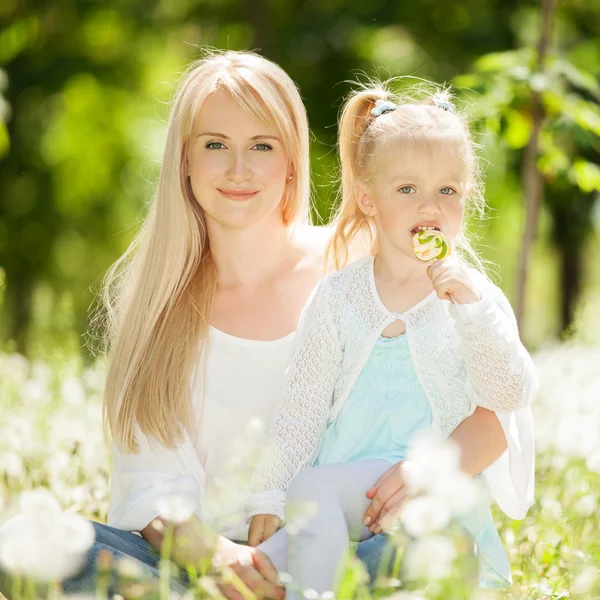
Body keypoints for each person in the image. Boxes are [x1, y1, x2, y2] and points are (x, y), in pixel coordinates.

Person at [0, 54, 511, 600]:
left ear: (291, 162)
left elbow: (498, 405)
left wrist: (423, 477)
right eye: (215, 145)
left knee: (412, 552)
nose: (238, 169)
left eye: (262, 147)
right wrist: (228, 564)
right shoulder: (155, 310)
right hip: (202, 569)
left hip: (346, 549)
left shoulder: (362, 267)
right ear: (184, 163)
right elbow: (151, 493)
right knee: (26, 545)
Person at [246, 83, 537, 598]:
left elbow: (510, 395)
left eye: (447, 191)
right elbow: (303, 405)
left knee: (327, 520)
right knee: (269, 548)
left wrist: (471, 312)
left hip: (432, 501)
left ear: (466, 197)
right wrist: (269, 494)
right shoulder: (338, 296)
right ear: (368, 199)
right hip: (347, 499)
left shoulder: (474, 298)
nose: (430, 207)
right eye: (407, 190)